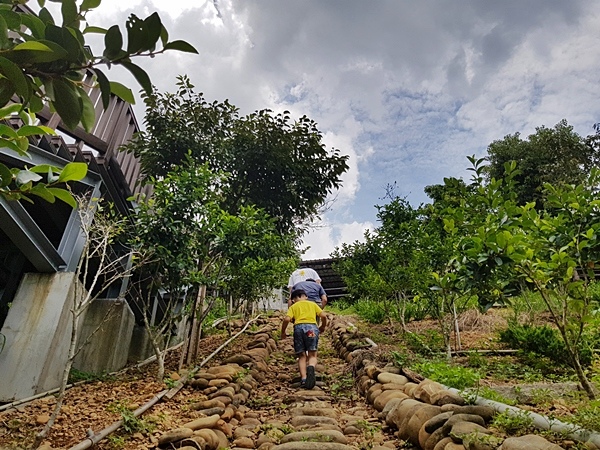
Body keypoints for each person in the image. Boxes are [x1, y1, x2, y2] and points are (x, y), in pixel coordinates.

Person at [281, 288, 327, 389]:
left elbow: (287, 319)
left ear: (293, 300)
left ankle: (304, 379)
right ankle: (311, 366)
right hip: (311, 329)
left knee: (301, 355)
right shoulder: (312, 304)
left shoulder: (293, 306)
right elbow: (323, 315)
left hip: (298, 329)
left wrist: (283, 331)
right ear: (305, 296)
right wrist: (323, 326)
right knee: (312, 354)